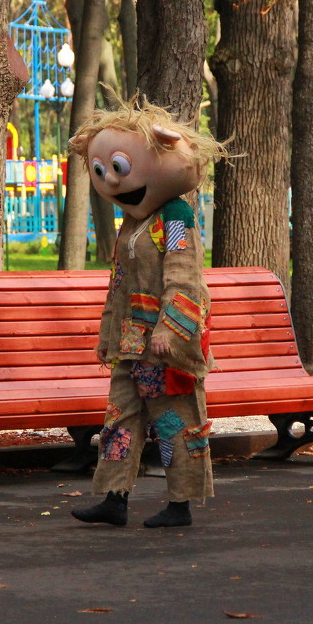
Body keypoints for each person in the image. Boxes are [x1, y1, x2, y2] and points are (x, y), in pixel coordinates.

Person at [66, 95, 231, 529]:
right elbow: (118, 286)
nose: (113, 184)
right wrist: (107, 335)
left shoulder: (176, 216)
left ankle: (181, 503)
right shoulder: (132, 224)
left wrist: (171, 331)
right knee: (120, 419)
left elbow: (185, 277)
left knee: (176, 422)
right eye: (103, 173)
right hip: (132, 344)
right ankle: (114, 498)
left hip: (165, 347)